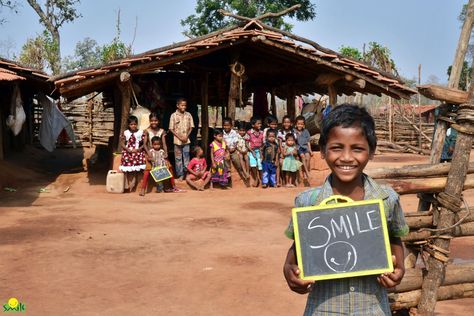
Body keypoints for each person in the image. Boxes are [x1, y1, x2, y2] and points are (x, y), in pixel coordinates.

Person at [283, 104, 409, 315]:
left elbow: (395, 238)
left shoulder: (387, 199)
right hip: (324, 308)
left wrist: (400, 268)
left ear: (372, 151)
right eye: (336, 147)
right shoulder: (308, 202)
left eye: (357, 148)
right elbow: (298, 250)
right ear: (322, 150)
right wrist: (289, 270)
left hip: (373, 308)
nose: (347, 157)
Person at [169, 98, 194, 180]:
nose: (184, 107)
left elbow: (191, 127)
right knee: (178, 158)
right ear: (177, 105)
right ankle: (180, 174)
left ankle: (187, 173)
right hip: (177, 141)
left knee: (186, 157)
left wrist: (187, 136)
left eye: (185, 105)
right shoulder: (173, 115)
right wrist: (179, 137)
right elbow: (171, 129)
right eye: (182, 105)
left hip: (187, 141)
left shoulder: (188, 115)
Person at [119, 115, 146, 192]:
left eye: (134, 124)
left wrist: (138, 149)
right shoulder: (126, 133)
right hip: (128, 152)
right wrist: (127, 149)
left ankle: (133, 183)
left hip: (137, 152)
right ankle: (126, 185)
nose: (133, 126)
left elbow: (144, 144)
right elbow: (122, 143)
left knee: (135, 169)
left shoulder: (140, 132)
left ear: (137, 124)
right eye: (131, 124)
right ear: (128, 125)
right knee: (125, 168)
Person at [223, 117, 249, 183]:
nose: (226, 127)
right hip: (226, 150)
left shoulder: (234, 132)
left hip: (234, 150)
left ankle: (243, 173)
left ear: (231, 126)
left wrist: (234, 148)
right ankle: (228, 171)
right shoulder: (222, 133)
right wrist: (227, 150)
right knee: (226, 158)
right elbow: (223, 142)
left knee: (237, 160)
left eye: (228, 125)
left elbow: (236, 142)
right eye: (225, 125)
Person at [293, 115, 313, 187]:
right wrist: (295, 148)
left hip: (305, 147)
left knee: (308, 157)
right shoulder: (294, 131)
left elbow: (308, 142)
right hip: (299, 147)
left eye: (301, 124)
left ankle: (305, 171)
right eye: (298, 124)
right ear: (296, 124)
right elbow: (294, 141)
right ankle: (307, 173)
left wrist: (310, 150)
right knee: (302, 156)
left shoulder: (306, 131)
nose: (300, 125)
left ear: (304, 125)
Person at [246, 116, 264, 187]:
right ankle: (256, 179)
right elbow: (247, 143)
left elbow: (263, 143)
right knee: (253, 164)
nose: (260, 125)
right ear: (253, 125)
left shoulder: (262, 133)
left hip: (259, 150)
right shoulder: (249, 132)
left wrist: (261, 151)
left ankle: (262, 179)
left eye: (260, 124)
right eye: (258, 124)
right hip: (252, 150)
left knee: (260, 165)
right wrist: (251, 151)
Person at [278, 115, 293, 186]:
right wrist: (282, 153)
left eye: (288, 122)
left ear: (290, 123)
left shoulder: (292, 132)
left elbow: (294, 143)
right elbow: (280, 144)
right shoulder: (280, 132)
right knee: (281, 163)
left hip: (291, 151)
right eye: (285, 122)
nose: (286, 124)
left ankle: (292, 181)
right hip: (283, 151)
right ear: (283, 123)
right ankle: (283, 179)